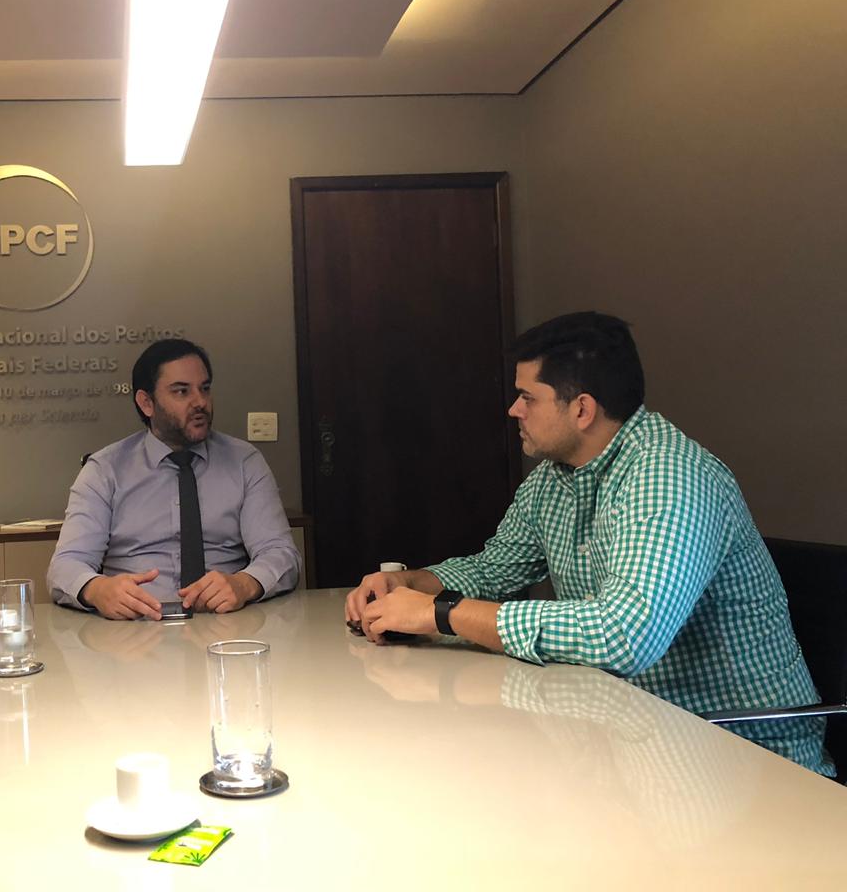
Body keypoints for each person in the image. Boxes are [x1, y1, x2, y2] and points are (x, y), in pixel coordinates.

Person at [345, 311, 832, 774]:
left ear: (581, 408)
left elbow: (624, 636)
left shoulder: (669, 477)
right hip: (634, 735)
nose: (513, 409)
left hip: (741, 755)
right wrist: (413, 583)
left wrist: (441, 612)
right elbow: (496, 569)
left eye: (527, 397)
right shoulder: (554, 479)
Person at [48, 338, 300, 619]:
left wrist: (244, 584)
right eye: (181, 391)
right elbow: (66, 565)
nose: (200, 402)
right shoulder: (104, 470)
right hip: (134, 635)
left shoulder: (244, 462)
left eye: (204, 389)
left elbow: (282, 556)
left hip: (227, 629)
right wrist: (97, 589)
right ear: (146, 403)